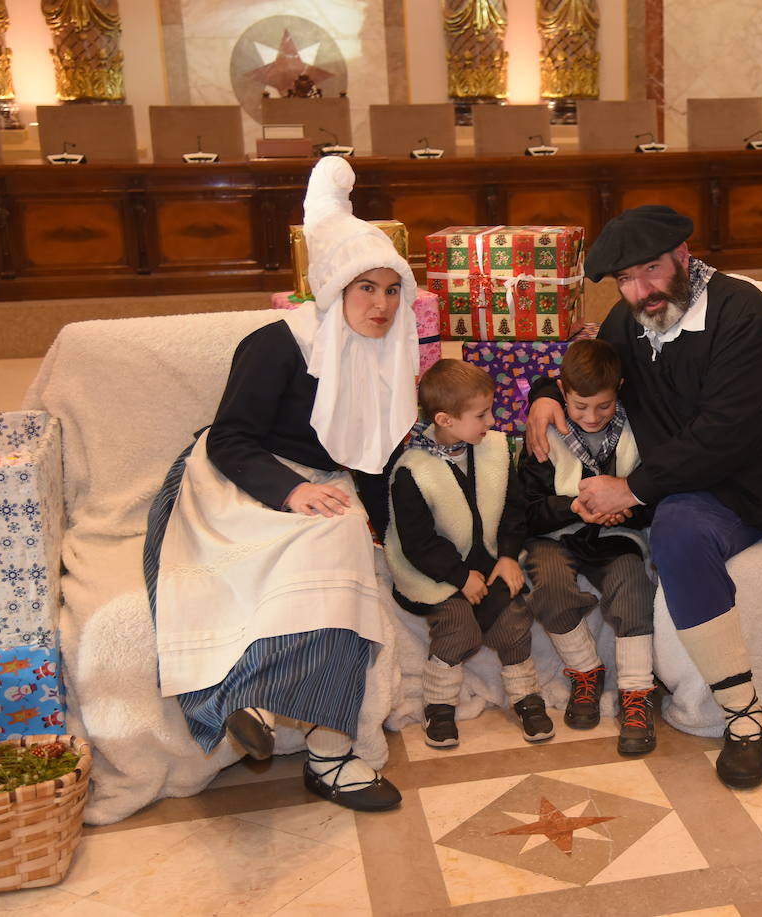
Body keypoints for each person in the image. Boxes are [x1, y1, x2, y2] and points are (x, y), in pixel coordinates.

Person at [526, 205, 762, 790]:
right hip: (708, 490)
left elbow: (726, 434)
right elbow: (592, 369)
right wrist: (547, 392)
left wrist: (630, 487)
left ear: (683, 255)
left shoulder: (742, 312)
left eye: (650, 270)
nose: (641, 290)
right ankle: (743, 717)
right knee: (676, 538)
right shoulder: (629, 324)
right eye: (625, 279)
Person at [147, 156, 414, 812]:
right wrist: (288, 493)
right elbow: (231, 436)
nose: (380, 306)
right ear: (334, 289)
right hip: (238, 478)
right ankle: (266, 710)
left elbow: (374, 460)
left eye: (391, 289)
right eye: (365, 289)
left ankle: (323, 749)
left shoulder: (385, 356)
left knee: (347, 541)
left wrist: (392, 539)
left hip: (320, 486)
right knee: (319, 539)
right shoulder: (275, 344)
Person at [385, 359, 554, 749]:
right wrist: (461, 577)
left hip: (489, 559)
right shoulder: (412, 471)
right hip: (434, 571)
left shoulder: (493, 449)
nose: (492, 421)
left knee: (513, 621)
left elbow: (514, 510)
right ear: (444, 419)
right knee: (458, 626)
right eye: (481, 415)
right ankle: (439, 706)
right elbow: (417, 542)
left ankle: (527, 698)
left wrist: (509, 556)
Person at [518, 339, 658, 756]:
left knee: (634, 590)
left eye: (604, 406)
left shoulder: (639, 431)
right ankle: (585, 670)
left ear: (620, 390)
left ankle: (636, 694)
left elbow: (657, 494)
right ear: (562, 393)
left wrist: (626, 512)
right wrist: (573, 508)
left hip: (618, 538)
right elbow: (526, 512)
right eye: (580, 407)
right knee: (550, 589)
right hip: (556, 536)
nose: (592, 417)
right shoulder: (543, 435)